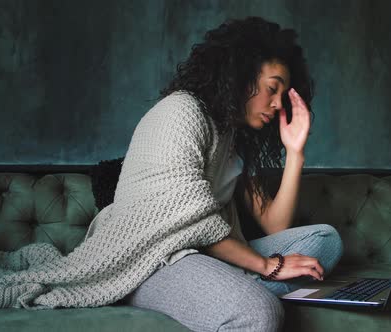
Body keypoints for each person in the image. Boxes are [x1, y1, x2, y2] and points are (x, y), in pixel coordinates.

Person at [121, 17, 343, 331]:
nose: (278, 104)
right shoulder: (180, 112)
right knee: (259, 312)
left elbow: (275, 224)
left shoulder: (233, 139)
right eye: (272, 89)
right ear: (240, 77)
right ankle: (237, 293)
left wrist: (295, 151)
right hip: (155, 259)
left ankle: (225, 291)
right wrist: (268, 266)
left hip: (208, 256)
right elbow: (192, 222)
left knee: (325, 241)